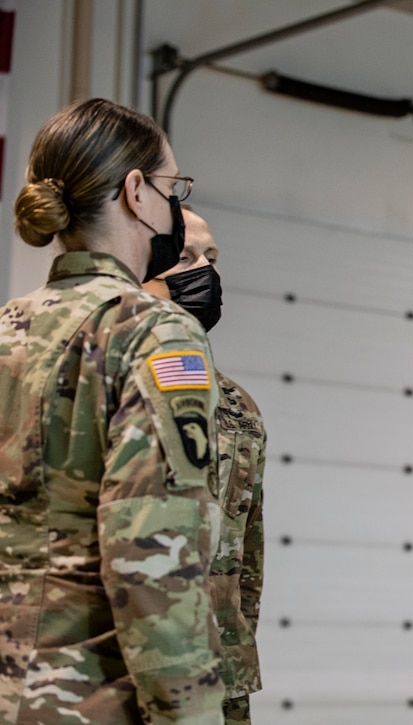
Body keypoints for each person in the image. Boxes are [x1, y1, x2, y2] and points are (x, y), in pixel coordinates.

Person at [0, 98, 225, 722]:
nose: (175, 205)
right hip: (83, 698)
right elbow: (152, 559)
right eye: (172, 187)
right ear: (136, 191)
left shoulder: (6, 329)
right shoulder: (154, 333)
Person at [144, 206, 266, 724]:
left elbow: (248, 559)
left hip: (219, 684)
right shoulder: (98, 375)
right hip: (123, 679)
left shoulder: (236, 404)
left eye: (212, 258)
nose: (206, 273)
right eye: (187, 257)